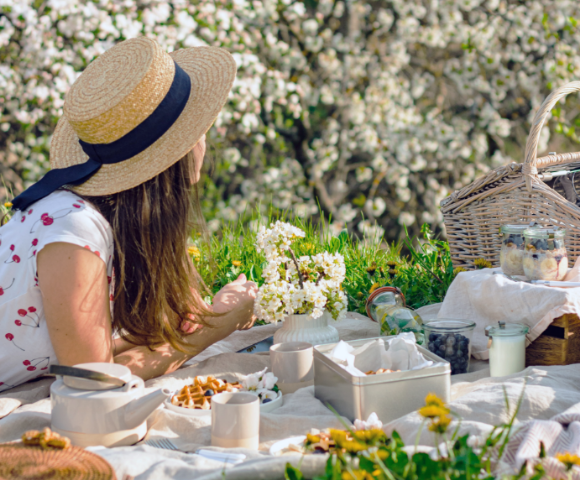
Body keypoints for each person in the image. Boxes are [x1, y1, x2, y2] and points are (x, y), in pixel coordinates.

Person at [0, 37, 258, 391]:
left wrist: (197, 320)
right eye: (199, 130)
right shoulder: (73, 229)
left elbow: (158, 330)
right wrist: (220, 325)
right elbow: (94, 380)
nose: (203, 141)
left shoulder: (127, 222)